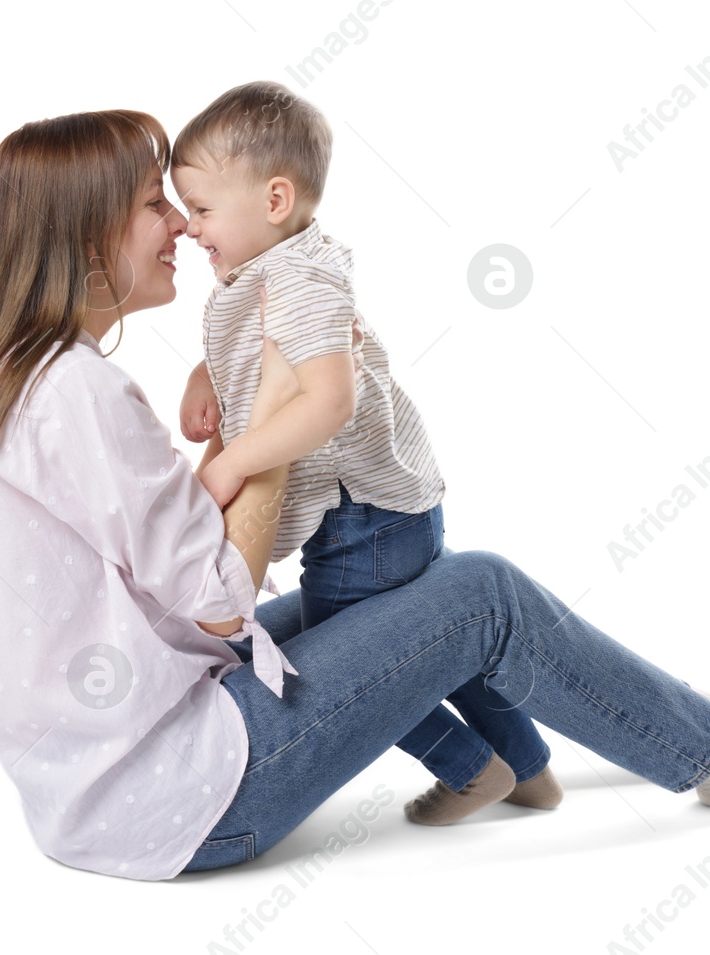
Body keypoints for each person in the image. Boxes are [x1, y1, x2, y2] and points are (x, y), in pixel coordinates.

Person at [0, 108, 710, 883]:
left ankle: (681, 717)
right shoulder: (72, 388)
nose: (177, 223)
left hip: (110, 787)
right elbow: (217, 598)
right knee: (480, 594)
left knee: (409, 600)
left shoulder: (11, 380)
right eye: (153, 202)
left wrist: (239, 445)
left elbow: (172, 594)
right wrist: (279, 418)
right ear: (85, 227)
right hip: (190, 799)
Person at [169, 80, 558, 825]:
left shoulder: (301, 282)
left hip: (362, 523)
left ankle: (473, 767)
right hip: (382, 513)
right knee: (436, 646)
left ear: (274, 200)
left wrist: (236, 459)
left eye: (202, 208)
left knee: (341, 668)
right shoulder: (269, 267)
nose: (190, 228)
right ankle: (532, 769)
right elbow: (267, 350)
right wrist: (207, 373)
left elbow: (328, 399)